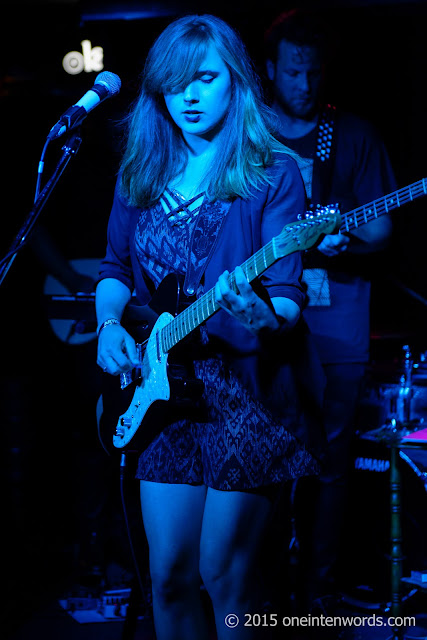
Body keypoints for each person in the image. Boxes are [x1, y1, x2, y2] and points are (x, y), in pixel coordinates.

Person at [96, 13, 325, 639]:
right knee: (168, 576)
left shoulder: (271, 172)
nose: (189, 97)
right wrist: (109, 323)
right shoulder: (140, 173)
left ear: (237, 82)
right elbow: (115, 268)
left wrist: (259, 313)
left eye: (204, 79)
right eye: (175, 84)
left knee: (223, 574)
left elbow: (286, 297)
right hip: (161, 394)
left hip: (245, 397)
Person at [264, 8, 396, 610]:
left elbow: (384, 228)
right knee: (264, 446)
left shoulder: (353, 134)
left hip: (337, 310)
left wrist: (347, 232)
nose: (306, 85)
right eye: (294, 72)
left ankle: (314, 592)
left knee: (333, 454)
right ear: (271, 70)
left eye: (314, 73)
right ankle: (259, 589)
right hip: (264, 309)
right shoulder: (249, 136)